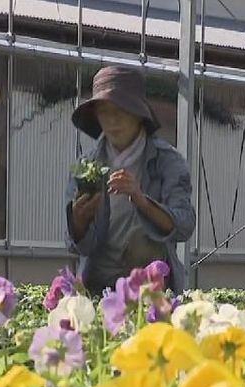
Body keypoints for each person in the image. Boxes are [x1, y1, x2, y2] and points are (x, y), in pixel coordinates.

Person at [65, 66, 195, 296]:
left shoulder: (167, 161)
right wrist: (79, 221)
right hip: (98, 285)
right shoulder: (86, 166)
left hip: (150, 288)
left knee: (142, 243)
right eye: (104, 111)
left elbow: (184, 225)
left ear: (139, 113)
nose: (113, 120)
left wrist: (141, 200)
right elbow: (74, 245)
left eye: (121, 110)